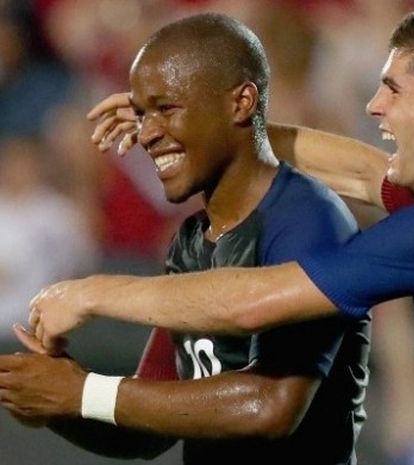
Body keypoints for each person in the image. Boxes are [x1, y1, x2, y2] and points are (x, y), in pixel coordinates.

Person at [22, 7, 414, 465]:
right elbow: (356, 167)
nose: (374, 106)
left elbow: (249, 302)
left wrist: (90, 294)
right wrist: (194, 119)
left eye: (393, 90)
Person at [0, 13, 370, 465]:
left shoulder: (308, 219)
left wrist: (83, 392)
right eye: (140, 114)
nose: (147, 133)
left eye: (166, 108)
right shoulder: (191, 241)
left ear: (241, 103)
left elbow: (273, 405)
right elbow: (146, 433)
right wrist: (52, 399)